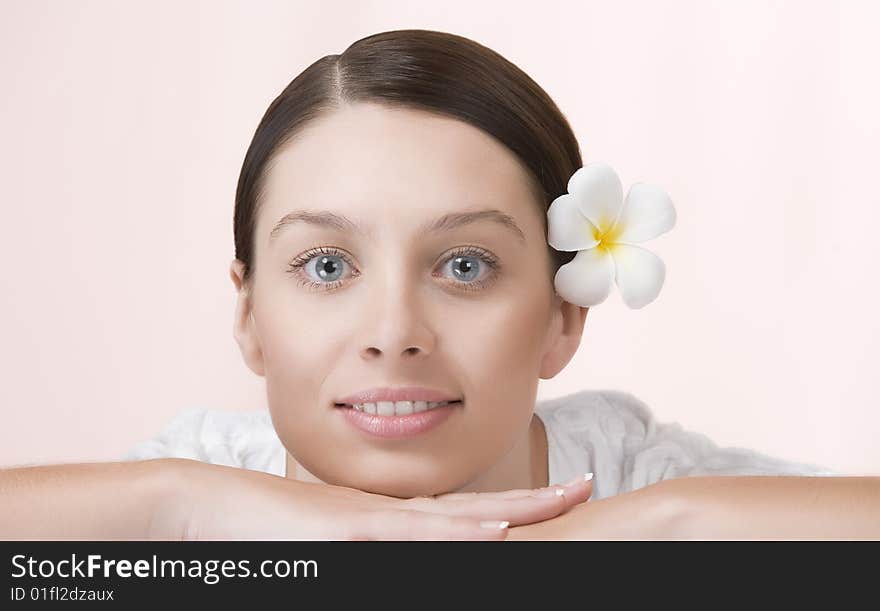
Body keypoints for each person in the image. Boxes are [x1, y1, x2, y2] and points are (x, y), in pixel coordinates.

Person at [2, 29, 876, 541]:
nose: (394, 331)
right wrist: (184, 509)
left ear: (562, 316)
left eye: (465, 265)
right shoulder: (197, 482)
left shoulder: (630, 473)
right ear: (250, 314)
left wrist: (658, 524)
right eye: (328, 266)